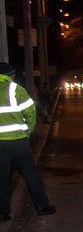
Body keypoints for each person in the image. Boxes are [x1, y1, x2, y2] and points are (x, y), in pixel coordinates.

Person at [0, 62, 56, 221]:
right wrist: (27, 130)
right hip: (18, 141)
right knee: (30, 173)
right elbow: (31, 111)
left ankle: (3, 211)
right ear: (10, 75)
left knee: (2, 178)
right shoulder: (15, 89)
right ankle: (42, 206)